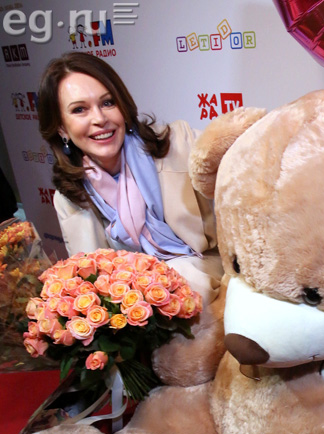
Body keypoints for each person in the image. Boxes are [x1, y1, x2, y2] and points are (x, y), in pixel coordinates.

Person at [37, 52, 222, 306]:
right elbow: (91, 284)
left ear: (123, 108)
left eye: (107, 103)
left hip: (209, 279)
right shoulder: (68, 197)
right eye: (80, 110)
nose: (99, 119)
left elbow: (244, 166)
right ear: (61, 128)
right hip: (138, 309)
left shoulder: (178, 142)